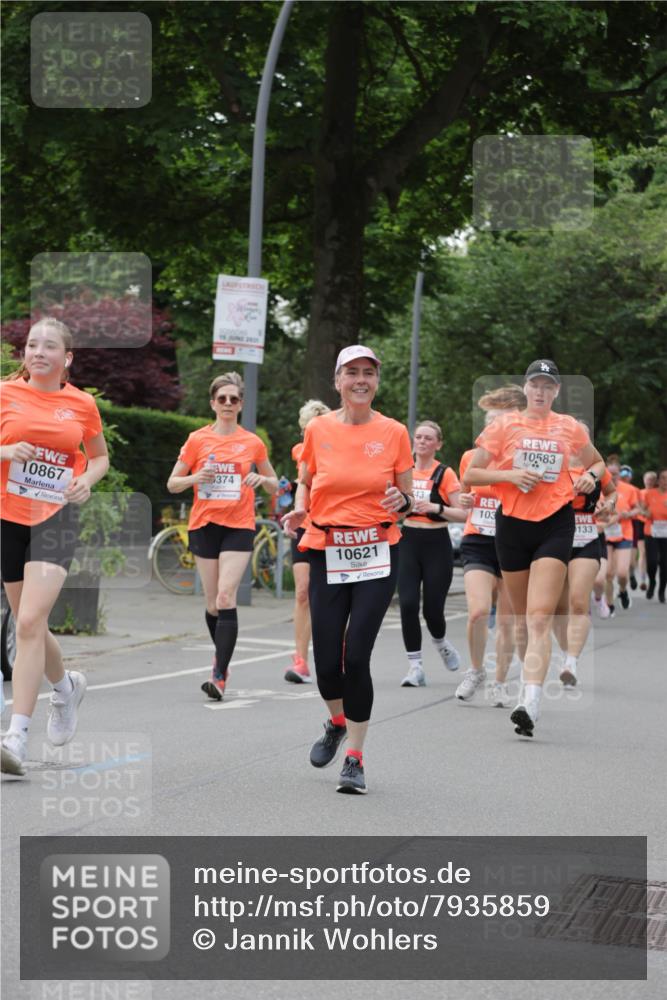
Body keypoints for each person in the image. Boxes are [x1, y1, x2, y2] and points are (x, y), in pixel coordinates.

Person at [282, 346, 413, 794]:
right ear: (337, 381)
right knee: (326, 662)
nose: (360, 380)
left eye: (368, 373)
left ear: (376, 381)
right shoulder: (318, 429)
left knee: (356, 655)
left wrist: (402, 500)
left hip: (377, 550)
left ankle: (355, 758)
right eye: (352, 372)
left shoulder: (394, 432)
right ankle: (337, 722)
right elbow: (305, 479)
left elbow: (407, 497)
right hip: (327, 549)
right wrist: (300, 509)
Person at [463, 360, 605, 738]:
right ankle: (527, 687)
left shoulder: (569, 427)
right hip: (512, 526)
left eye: (548, 386)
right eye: (535, 385)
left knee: (540, 616)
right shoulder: (503, 426)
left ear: (556, 391)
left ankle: (530, 701)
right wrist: (509, 475)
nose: (541, 391)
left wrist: (590, 478)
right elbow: (471, 474)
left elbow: (597, 463)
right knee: (522, 617)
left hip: (555, 524)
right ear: (525, 388)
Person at [1, 318, 109, 776]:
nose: (38, 352)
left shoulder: (82, 404)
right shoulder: (4, 393)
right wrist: (6, 453)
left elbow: (99, 457)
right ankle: (65, 688)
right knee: (30, 624)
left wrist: (86, 480)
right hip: (8, 516)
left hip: (56, 517)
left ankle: (16, 736)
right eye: (32, 345)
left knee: (28, 621)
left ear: (67, 358)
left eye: (49, 346)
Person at [167, 372, 278, 701]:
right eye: (222, 399)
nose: (228, 404)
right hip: (204, 524)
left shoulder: (252, 442)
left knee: (226, 597)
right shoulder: (197, 440)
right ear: (213, 403)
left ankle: (219, 674)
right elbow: (173, 483)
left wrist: (262, 480)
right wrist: (196, 477)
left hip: (239, 525)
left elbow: (274, 483)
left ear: (241, 404)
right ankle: (223, 662)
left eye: (234, 399)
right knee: (213, 603)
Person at [454, 385, 526, 706]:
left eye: (498, 421)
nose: (492, 428)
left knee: (508, 619)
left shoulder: (522, 458)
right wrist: (465, 499)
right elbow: (464, 494)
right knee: (479, 611)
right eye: (489, 422)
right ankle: (476, 670)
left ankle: (499, 682)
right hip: (478, 539)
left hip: (513, 541)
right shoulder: (471, 458)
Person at [398, 420, 466, 687]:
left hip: (437, 542)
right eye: (418, 437)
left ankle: (441, 643)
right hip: (408, 540)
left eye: (428, 438)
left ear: (438, 444)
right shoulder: (404, 471)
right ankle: (415, 667)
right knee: (407, 604)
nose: (422, 442)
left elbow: (463, 513)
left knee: (432, 609)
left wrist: (436, 508)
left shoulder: (444, 474)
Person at [553, 430, 617, 687]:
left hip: (586, 539)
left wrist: (608, 505)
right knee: (558, 608)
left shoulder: (596, 469)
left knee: (579, 602)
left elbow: (612, 493)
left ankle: (571, 661)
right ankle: (566, 652)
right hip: (554, 540)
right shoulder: (552, 464)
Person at [284, 399, 331, 684]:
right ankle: (300, 660)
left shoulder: (336, 449)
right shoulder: (300, 450)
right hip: (305, 525)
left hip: (331, 526)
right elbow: (304, 479)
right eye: (307, 427)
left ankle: (338, 654)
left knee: (331, 595)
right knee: (302, 592)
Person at [603, 457, 640, 616]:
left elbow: (637, 509)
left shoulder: (629, 489)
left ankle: (623, 591)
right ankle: (609, 605)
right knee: (608, 573)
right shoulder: (599, 489)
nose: (612, 477)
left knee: (622, 573)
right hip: (606, 535)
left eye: (615, 474)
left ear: (619, 473)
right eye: (609, 473)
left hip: (624, 534)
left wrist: (629, 514)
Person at [641, 469, 667, 602]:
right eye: (663, 478)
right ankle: (652, 582)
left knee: (665, 563)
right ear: (658, 480)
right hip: (651, 532)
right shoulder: (650, 493)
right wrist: (646, 513)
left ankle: (662, 590)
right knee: (651, 562)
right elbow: (642, 509)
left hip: (666, 534)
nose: (666, 481)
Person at [638, 470, 658, 590]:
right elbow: (636, 508)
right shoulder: (639, 493)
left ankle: (653, 578)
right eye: (648, 479)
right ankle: (643, 579)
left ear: (655, 481)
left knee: (654, 555)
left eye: (652, 479)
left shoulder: (659, 493)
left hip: (656, 526)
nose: (650, 481)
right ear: (644, 480)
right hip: (641, 524)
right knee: (643, 552)